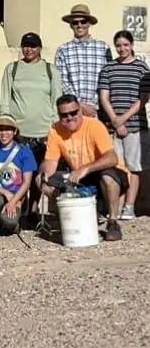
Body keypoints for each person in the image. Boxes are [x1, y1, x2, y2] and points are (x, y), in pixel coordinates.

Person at [40, 95, 128, 242]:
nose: (70, 118)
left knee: (108, 177)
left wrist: (85, 169)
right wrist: (43, 175)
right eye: (64, 115)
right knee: (45, 183)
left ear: (80, 110)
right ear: (58, 115)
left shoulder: (95, 125)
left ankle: (112, 222)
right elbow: (50, 164)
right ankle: (77, 212)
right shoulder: (55, 130)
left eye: (73, 113)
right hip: (79, 177)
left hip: (105, 172)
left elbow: (112, 158)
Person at [98, 30, 146, 220]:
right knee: (117, 166)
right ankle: (114, 206)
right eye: (118, 45)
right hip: (113, 127)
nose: (122, 49)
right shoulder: (108, 69)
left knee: (134, 167)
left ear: (132, 45)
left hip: (135, 125)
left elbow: (143, 99)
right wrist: (115, 120)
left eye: (126, 45)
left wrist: (123, 119)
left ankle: (130, 206)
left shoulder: (142, 68)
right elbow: (104, 97)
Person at [0, 32, 61, 165]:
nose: (29, 50)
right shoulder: (12, 69)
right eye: (25, 46)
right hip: (19, 132)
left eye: (33, 46)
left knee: (42, 175)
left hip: (44, 132)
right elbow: (5, 99)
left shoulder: (50, 70)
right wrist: (6, 125)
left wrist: (54, 126)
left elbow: (57, 99)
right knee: (18, 173)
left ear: (39, 49)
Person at [0, 115, 36, 237]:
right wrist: (5, 193)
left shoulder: (25, 151)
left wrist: (14, 201)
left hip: (17, 195)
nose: (4, 133)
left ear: (15, 132)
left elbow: (27, 182)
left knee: (10, 222)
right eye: (0, 129)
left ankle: (8, 222)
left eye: (8, 129)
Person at [54, 4, 112, 118]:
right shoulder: (63, 50)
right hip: (73, 112)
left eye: (83, 21)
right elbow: (62, 82)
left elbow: (108, 79)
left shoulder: (103, 48)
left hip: (98, 111)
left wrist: (97, 106)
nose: (79, 25)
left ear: (89, 23)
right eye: (75, 22)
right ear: (71, 25)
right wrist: (80, 105)